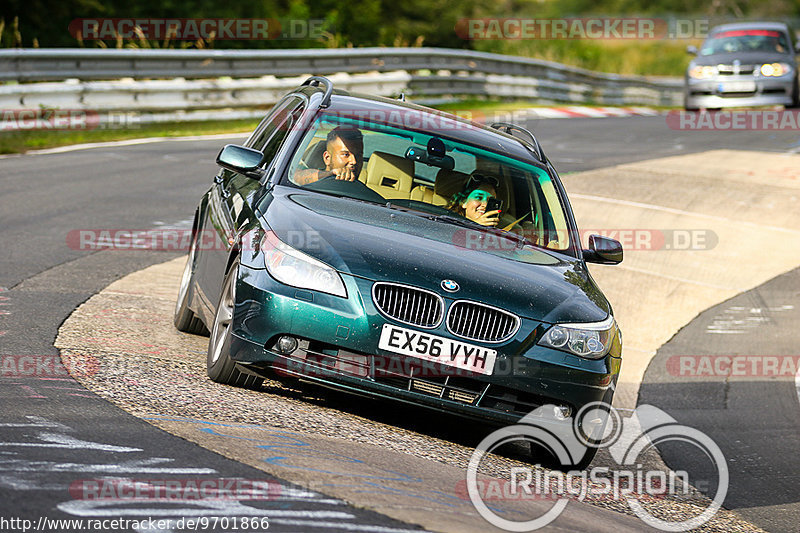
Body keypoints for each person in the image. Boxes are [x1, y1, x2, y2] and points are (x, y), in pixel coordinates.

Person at [293, 126, 364, 186]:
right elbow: (295, 176)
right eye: (346, 155)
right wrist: (330, 174)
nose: (354, 161)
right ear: (327, 158)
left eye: (359, 155)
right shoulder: (312, 179)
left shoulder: (365, 194)